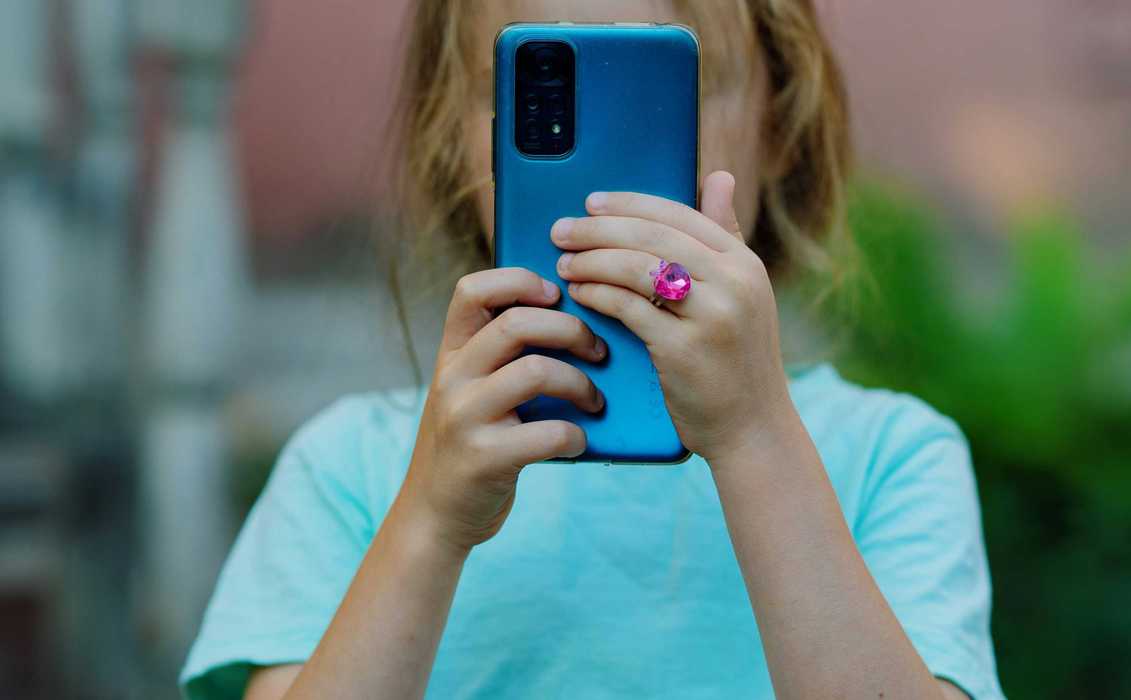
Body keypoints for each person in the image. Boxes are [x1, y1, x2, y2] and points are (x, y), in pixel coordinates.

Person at [180, 1, 1006, 698]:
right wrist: (429, 526)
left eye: (663, 87)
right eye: (539, 87)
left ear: (780, 123)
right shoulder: (349, 470)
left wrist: (754, 437)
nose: (610, 174)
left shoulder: (890, 458)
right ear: (451, 139)